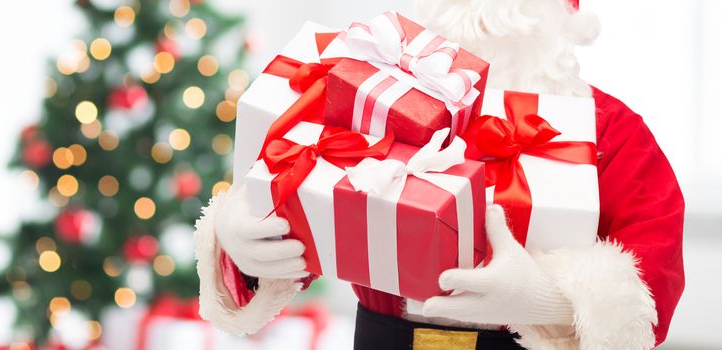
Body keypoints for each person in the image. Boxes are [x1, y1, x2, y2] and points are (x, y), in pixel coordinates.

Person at [194, 0, 685, 348]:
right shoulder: (374, 94)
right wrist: (240, 238)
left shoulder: (608, 129)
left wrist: (543, 301)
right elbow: (302, 183)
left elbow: (651, 280)